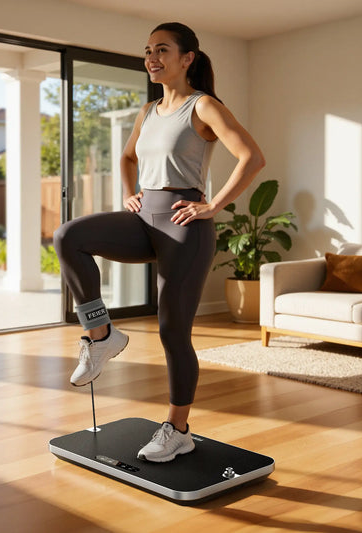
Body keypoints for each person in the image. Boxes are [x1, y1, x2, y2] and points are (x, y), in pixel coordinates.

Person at [53, 22, 265, 463]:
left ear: (187, 58)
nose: (152, 57)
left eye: (162, 50)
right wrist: (129, 192)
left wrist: (213, 205)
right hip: (144, 216)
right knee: (68, 235)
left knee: (173, 332)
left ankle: (178, 428)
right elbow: (129, 156)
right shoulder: (147, 112)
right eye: (148, 50)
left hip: (183, 223)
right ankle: (101, 335)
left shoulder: (202, 107)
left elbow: (251, 157)